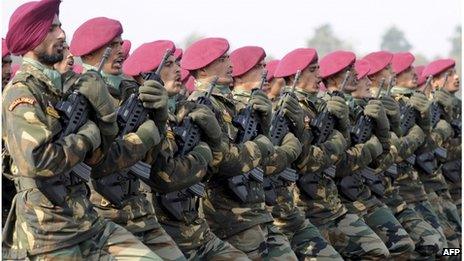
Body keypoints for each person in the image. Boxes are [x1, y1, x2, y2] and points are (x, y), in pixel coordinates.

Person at [3, 0, 160, 259]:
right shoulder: (22, 91)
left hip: (87, 221)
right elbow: (37, 160)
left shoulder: (58, 88)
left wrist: (106, 119)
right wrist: (89, 135)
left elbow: (98, 161)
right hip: (50, 235)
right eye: (52, 28)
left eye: (60, 26)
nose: (62, 34)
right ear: (32, 37)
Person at [123, 39, 250, 260]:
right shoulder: (138, 117)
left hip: (194, 227)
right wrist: (203, 153)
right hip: (163, 227)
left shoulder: (185, 113)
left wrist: (211, 142)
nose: (178, 69)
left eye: (176, 63)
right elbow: (166, 176)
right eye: (168, 64)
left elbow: (212, 169)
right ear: (146, 78)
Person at [70, 18, 186, 260]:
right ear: (93, 50)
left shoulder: (133, 92)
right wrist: (142, 138)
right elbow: (93, 163)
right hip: (103, 215)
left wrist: (161, 118)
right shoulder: (79, 93)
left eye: (121, 43)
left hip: (140, 212)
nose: (121, 50)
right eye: (112, 45)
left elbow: (158, 164)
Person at [182, 37, 293, 260]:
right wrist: (262, 145)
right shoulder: (201, 105)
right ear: (203, 69)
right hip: (230, 215)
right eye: (222, 59)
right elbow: (222, 160)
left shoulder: (229, 102)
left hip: (254, 210)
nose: (230, 64)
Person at [274, 48, 390, 259]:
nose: (319, 72)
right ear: (294, 76)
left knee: (378, 251)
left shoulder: (322, 106)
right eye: (312, 69)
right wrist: (347, 139)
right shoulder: (290, 111)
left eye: (318, 67)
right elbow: (310, 161)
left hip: (333, 204)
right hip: (305, 208)